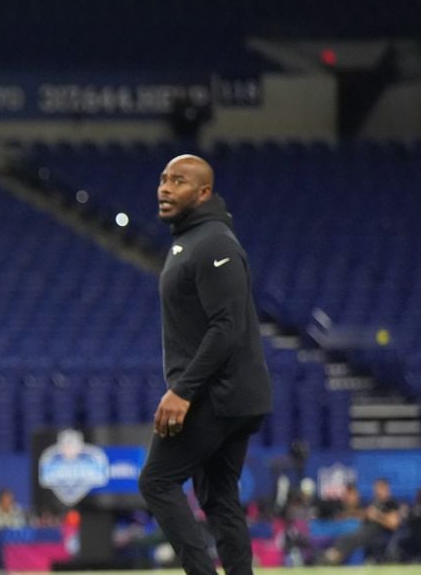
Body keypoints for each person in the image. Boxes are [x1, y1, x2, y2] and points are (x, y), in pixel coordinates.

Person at [137, 154, 272, 575]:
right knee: (218, 497)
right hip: (228, 392)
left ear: (203, 192)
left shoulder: (214, 243)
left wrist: (183, 390)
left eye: (177, 181)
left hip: (217, 393)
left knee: (156, 481)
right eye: (163, 179)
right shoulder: (191, 239)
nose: (164, 188)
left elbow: (227, 325)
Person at [324, 478, 403, 564]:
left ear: (386, 489)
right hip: (365, 529)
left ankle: (333, 558)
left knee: (351, 539)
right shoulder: (374, 502)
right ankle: (333, 557)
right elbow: (365, 514)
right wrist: (350, 515)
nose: (377, 491)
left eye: (380, 488)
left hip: (378, 533)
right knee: (345, 537)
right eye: (376, 489)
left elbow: (393, 524)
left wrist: (377, 516)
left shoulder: (391, 503)